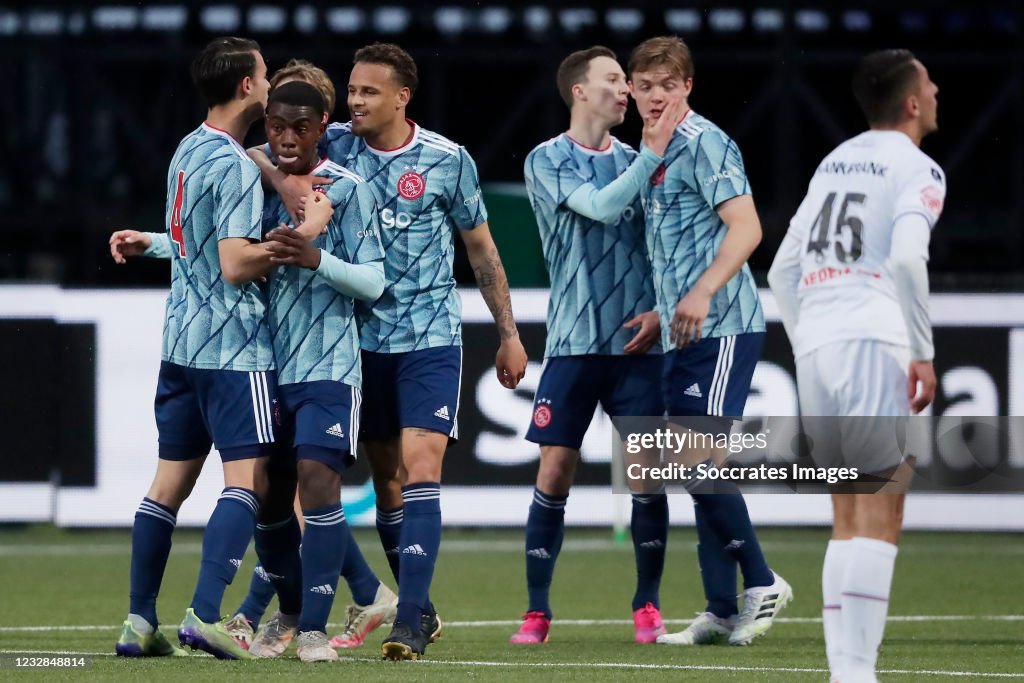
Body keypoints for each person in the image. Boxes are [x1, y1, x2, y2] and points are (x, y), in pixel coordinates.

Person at [250, 42, 529, 660]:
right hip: (354, 343)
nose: (354, 102)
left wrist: (508, 332)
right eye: (351, 91)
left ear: (403, 97)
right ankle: (416, 607)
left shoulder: (447, 160)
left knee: (421, 465)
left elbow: (481, 251)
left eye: (368, 92)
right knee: (385, 484)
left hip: (429, 337)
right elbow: (259, 157)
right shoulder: (335, 147)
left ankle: (406, 622)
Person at [112, 36, 333, 660]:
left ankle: (138, 622)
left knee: (167, 487)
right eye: (263, 76)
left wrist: (153, 243)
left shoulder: (189, 148)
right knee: (251, 482)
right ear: (245, 86)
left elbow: (195, 239)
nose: (269, 84)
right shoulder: (237, 165)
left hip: (179, 344)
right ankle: (204, 615)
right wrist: (302, 238)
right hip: (233, 350)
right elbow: (235, 264)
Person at [768, 49, 942, 683]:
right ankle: (856, 674)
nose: (937, 88)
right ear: (912, 102)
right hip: (874, 336)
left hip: (818, 339)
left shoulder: (833, 160)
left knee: (846, 512)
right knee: (882, 507)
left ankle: (847, 671)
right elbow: (904, 260)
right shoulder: (918, 168)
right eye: (928, 82)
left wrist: (806, 339)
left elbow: (785, 268)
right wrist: (921, 349)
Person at [509, 46, 682, 646]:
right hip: (575, 342)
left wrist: (665, 304)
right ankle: (536, 612)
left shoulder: (639, 159)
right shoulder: (547, 159)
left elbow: (664, 242)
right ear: (578, 91)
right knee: (555, 470)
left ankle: (648, 606)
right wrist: (654, 155)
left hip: (637, 346)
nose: (626, 90)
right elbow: (603, 207)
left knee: (645, 475)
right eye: (613, 79)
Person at [627, 36, 792, 646]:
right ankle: (722, 608)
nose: (653, 96)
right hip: (681, 329)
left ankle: (761, 580)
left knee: (693, 459)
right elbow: (676, 240)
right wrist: (662, 306)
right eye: (643, 85)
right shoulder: (651, 152)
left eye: (666, 85)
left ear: (687, 87)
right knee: (695, 463)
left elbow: (746, 228)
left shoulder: (705, 142)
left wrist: (700, 293)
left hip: (720, 325)